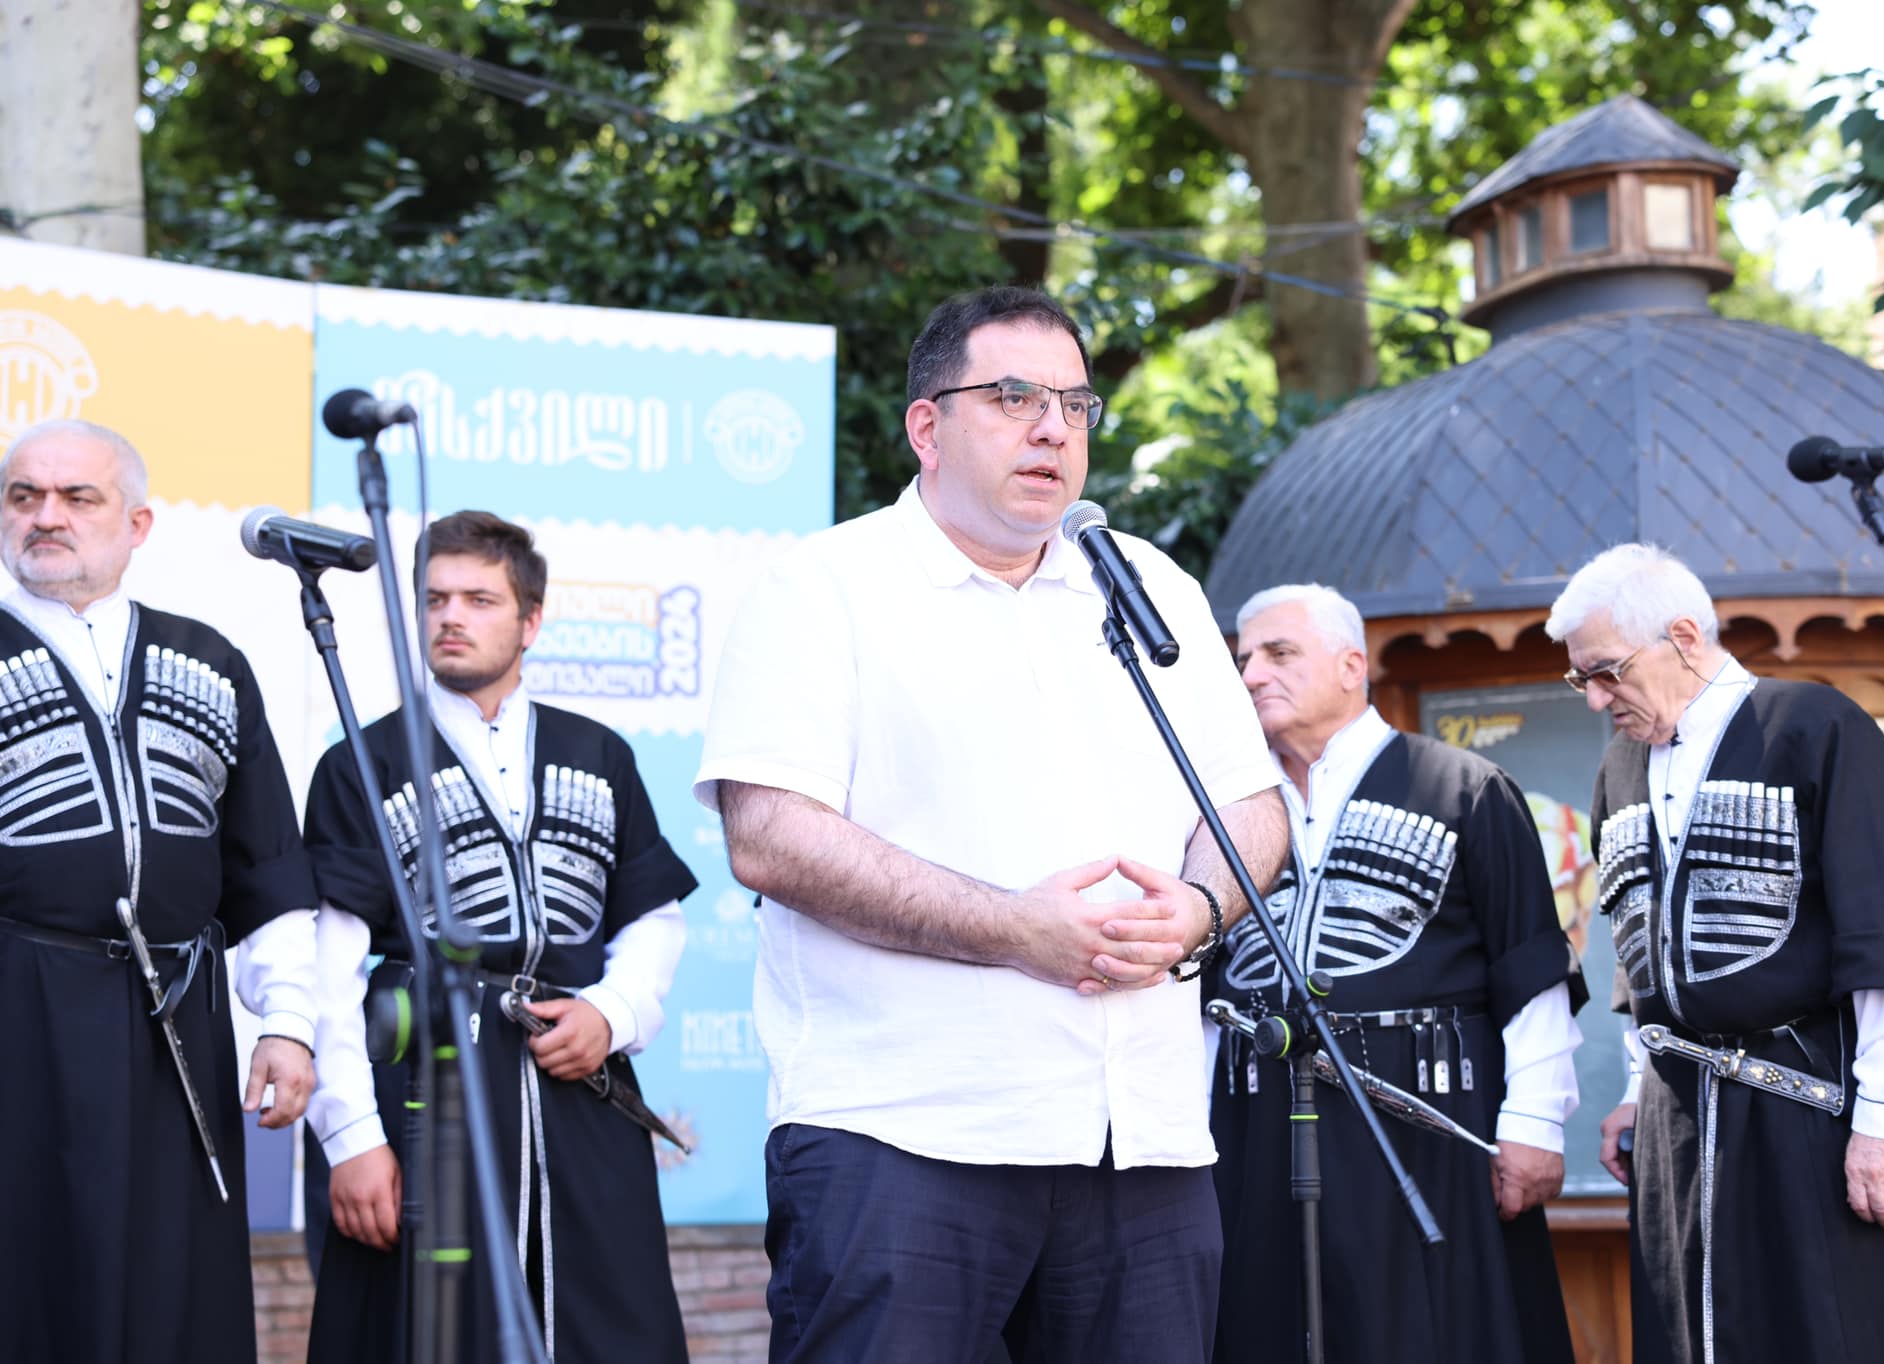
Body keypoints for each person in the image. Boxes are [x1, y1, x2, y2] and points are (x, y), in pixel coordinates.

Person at [694, 284, 1289, 1362]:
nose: (1053, 428)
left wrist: (1201, 908)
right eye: (1014, 397)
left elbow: (1247, 802)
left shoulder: (1147, 585)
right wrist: (1014, 928)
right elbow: (771, 834)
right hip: (904, 1134)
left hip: (1141, 1137)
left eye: (1074, 403)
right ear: (927, 427)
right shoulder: (823, 587)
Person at [1546, 542, 1884, 1364]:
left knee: (1834, 1334)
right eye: (1579, 678)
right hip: (1679, 1119)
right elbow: (1640, 948)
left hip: (1816, 1109)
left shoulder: (1814, 728)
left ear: (1683, 638)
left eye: (1607, 672)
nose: (1594, 698)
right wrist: (1632, 1089)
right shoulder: (1620, 767)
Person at [301, 510, 696, 1363]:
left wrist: (613, 1013)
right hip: (424, 1088)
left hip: (581, 1084)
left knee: (610, 1325)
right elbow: (327, 966)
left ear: (531, 620)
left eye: (480, 599)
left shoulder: (599, 754)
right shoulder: (361, 763)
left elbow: (651, 918)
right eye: (434, 599)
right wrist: (352, 1137)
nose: (451, 616)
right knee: (428, 1334)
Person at [0, 419, 320, 1364]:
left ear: (137, 524)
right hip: (21, 1016)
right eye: (23, 496)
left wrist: (289, 1022)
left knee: (172, 1282)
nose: (46, 516)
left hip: (178, 1024)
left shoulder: (210, 662)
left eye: (77, 497)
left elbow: (268, 864)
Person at [1210, 582, 1584, 1363]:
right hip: (1258, 1122)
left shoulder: (1462, 787)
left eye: (1279, 653)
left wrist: (1534, 1124)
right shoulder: (1224, 813)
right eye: (1244, 659)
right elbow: (1205, 990)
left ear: (1352, 666)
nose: (1251, 675)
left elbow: (1528, 969)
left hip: (1425, 1122)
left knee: (1430, 1328)